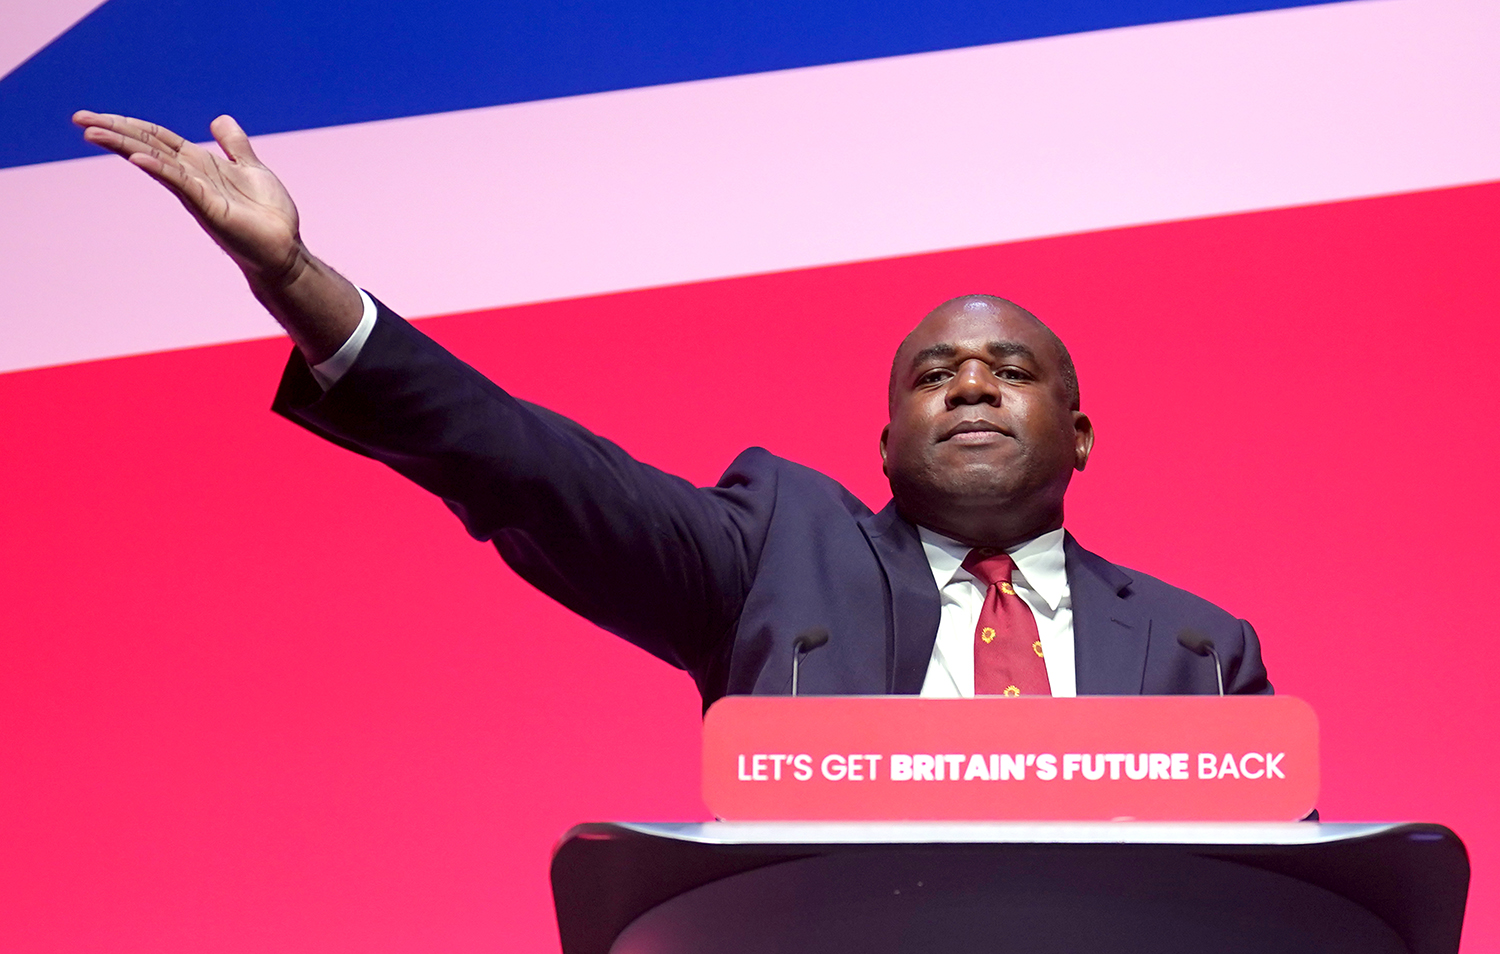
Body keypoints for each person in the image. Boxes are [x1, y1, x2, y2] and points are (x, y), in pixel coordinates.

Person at [73, 110, 1272, 706]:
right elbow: (532, 468)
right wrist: (300, 283)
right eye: (929, 374)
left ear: (1080, 434)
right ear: (884, 443)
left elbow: (1288, 904)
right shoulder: (778, 556)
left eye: (1011, 370)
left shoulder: (1201, 648)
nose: (967, 384)